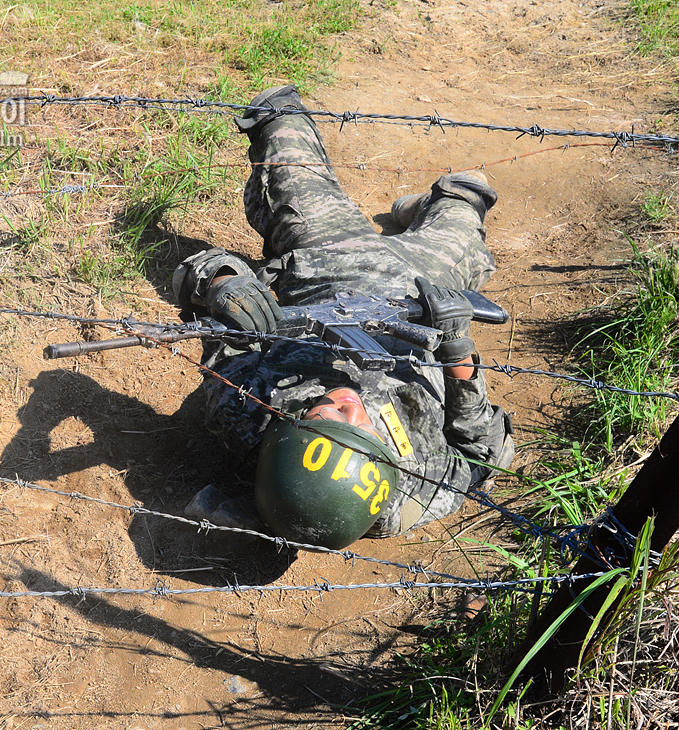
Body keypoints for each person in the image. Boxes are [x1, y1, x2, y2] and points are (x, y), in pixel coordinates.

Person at [172, 86, 513, 550]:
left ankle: (415, 211)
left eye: (324, 415)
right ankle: (432, 207)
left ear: (283, 434)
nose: (348, 404)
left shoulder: (246, 412)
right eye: (360, 428)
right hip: (429, 285)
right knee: (467, 196)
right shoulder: (407, 491)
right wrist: (457, 353)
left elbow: (197, 283)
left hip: (329, 263)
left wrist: (225, 283)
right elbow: (485, 456)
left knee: (281, 123)